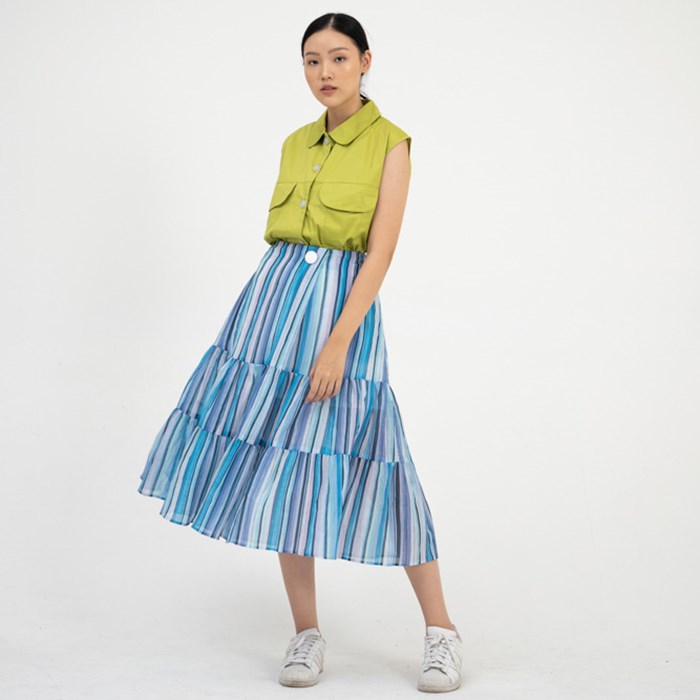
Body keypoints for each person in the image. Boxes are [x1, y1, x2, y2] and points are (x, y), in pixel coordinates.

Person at [137, 12, 463, 694]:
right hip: (269, 310)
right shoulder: (294, 143)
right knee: (283, 464)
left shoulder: (392, 144)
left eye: (339, 58)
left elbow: (380, 253)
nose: (325, 72)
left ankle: (441, 632)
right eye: (312, 60)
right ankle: (306, 632)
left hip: (339, 313)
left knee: (381, 458)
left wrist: (338, 343)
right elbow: (287, 242)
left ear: (366, 61)